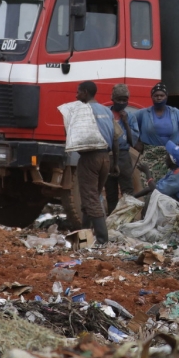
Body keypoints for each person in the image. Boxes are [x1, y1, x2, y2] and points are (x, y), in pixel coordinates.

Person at [74, 81, 115, 244]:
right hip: (106, 157)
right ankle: (82, 240)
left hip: (90, 158)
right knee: (90, 197)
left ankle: (103, 241)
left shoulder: (82, 111)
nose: (76, 96)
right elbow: (117, 139)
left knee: (91, 200)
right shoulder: (107, 111)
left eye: (78, 92)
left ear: (85, 92)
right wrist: (115, 162)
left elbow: (74, 136)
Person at [131, 83, 179, 151]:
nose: (159, 98)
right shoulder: (143, 113)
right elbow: (128, 123)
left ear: (166, 97)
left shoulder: (175, 113)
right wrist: (135, 143)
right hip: (150, 156)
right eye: (156, 95)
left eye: (162, 95)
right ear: (152, 97)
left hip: (171, 154)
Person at [104, 84, 138, 209]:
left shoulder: (130, 117)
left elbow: (132, 141)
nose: (122, 103)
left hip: (124, 156)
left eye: (125, 100)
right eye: (119, 99)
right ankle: (111, 220)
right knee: (110, 192)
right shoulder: (106, 114)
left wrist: (126, 123)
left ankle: (127, 222)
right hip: (109, 155)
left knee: (127, 191)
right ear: (112, 99)